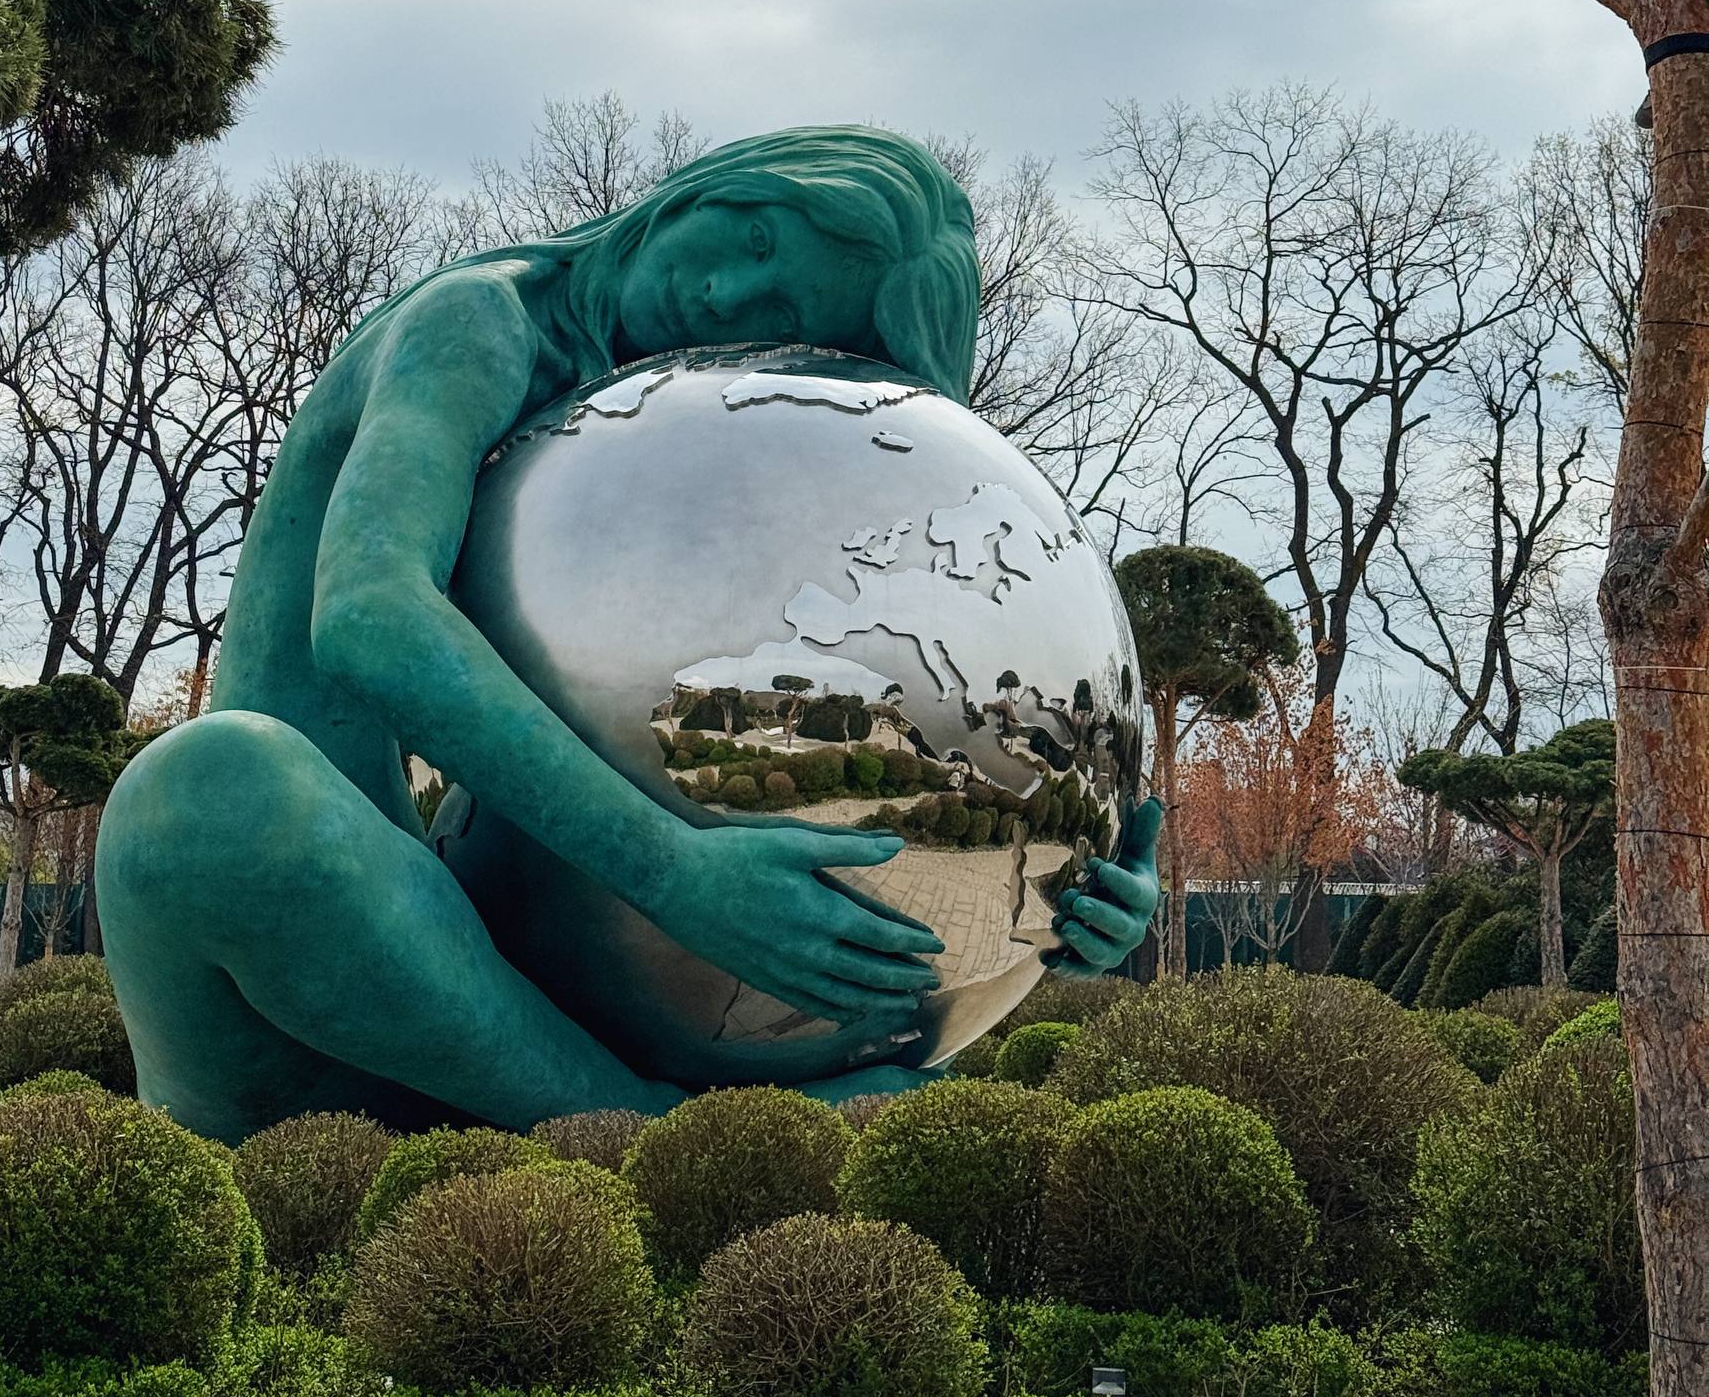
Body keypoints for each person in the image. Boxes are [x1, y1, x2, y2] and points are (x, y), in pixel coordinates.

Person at [97, 127, 1161, 1141]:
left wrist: (1061, 890)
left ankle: (666, 1125)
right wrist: (672, 873)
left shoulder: (643, 423)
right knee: (207, 787)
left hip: (531, 1001)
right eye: (757, 239)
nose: (728, 294)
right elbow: (367, 616)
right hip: (306, 1005)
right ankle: (648, 1132)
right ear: (734, 179)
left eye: (782, 310)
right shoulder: (480, 322)